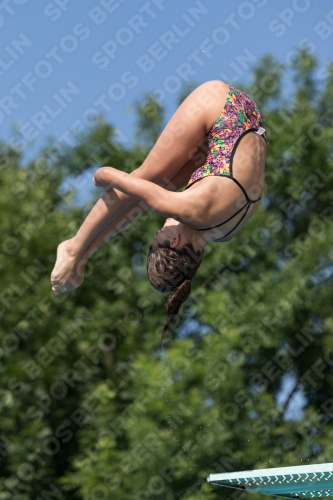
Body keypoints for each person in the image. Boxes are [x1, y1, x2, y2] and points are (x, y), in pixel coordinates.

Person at [51, 80, 267, 346]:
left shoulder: (223, 231)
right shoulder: (192, 210)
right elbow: (121, 180)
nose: (159, 228)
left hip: (248, 122)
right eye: (159, 235)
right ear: (174, 242)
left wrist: (88, 254)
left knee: (152, 191)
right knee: (146, 177)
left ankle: (80, 253)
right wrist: (102, 176)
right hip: (221, 104)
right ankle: (72, 249)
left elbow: (139, 204)